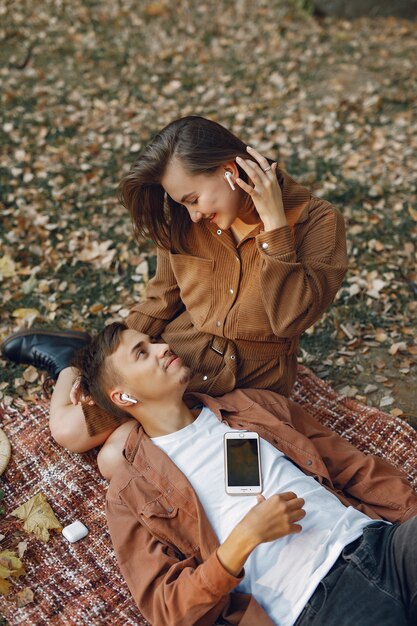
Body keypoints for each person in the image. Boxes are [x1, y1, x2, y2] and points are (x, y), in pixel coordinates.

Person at [1, 116, 348, 453]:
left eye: (194, 199)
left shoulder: (318, 223)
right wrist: (98, 368)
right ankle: (68, 361)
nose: (193, 214)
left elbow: (289, 319)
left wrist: (274, 229)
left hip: (249, 385)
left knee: (121, 456)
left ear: (229, 172)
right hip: (176, 359)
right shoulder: (186, 220)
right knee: (70, 431)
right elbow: (160, 300)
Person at [74, 322, 417, 626]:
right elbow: (169, 611)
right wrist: (244, 539)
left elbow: (353, 468)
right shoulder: (129, 493)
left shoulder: (251, 406)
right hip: (315, 603)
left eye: (154, 341)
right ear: (123, 396)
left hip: (380, 544)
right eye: (142, 353)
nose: (163, 348)